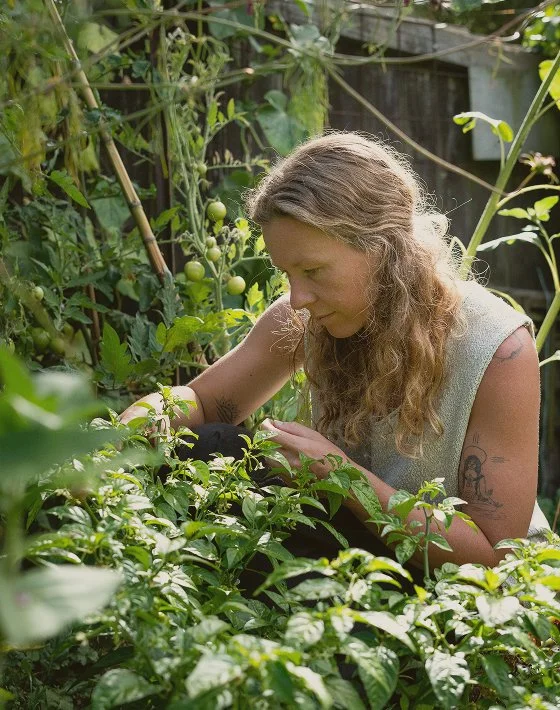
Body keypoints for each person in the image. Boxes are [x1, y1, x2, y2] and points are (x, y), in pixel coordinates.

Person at [120, 132, 550, 574]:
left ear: (384, 251)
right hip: (364, 553)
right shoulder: (305, 316)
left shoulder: (498, 348)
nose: (298, 297)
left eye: (313, 270)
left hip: (473, 597)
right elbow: (206, 403)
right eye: (288, 273)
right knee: (213, 447)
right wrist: (126, 433)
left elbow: (497, 557)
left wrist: (340, 475)